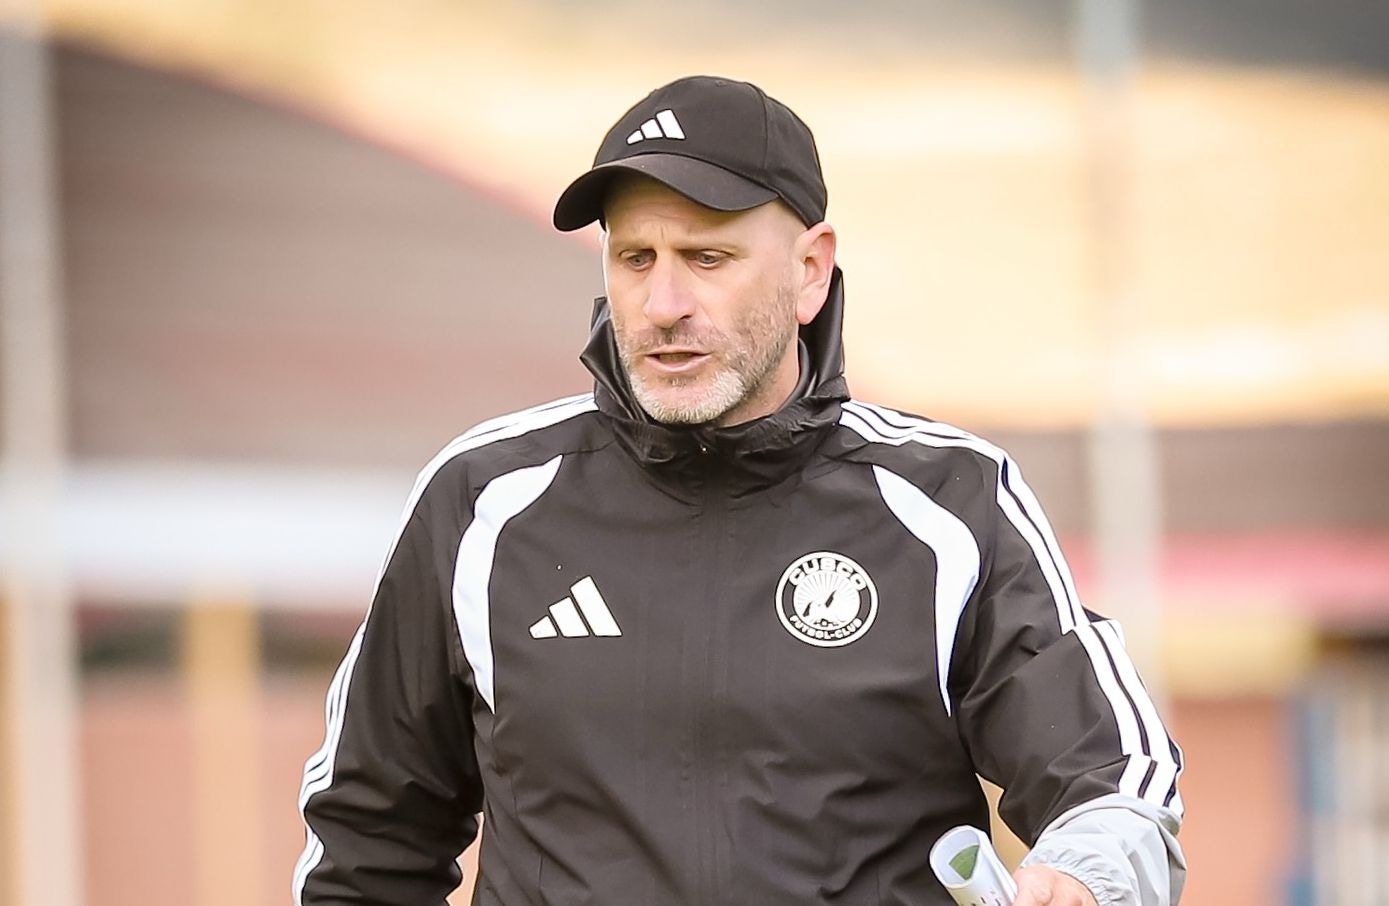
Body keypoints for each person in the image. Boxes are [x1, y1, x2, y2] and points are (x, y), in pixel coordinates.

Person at [293, 75, 1186, 906]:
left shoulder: (948, 501)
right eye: (634, 257)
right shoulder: (483, 501)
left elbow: (1111, 775)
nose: (663, 301)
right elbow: (367, 836)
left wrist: (1083, 870)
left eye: (707, 257)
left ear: (809, 270)